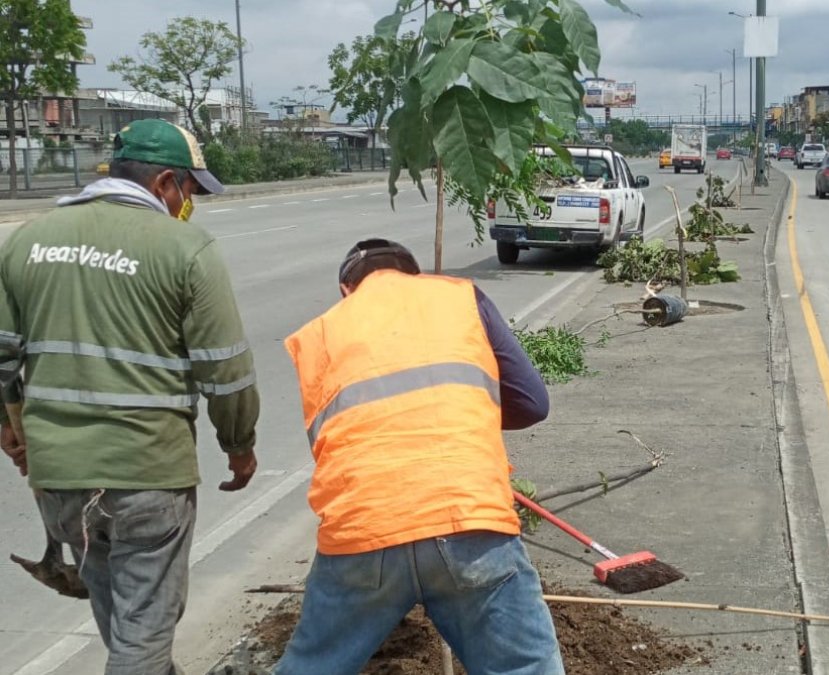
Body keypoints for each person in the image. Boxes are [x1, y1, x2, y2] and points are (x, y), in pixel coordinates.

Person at [0, 118, 260, 675]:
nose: (190, 203)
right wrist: (239, 446)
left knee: (122, 620)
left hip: (60, 479)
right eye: (190, 190)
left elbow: (2, 358)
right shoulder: (186, 248)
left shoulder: (26, 240)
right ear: (166, 182)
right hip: (148, 473)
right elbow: (227, 371)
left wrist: (11, 427)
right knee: (142, 634)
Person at [276, 239, 562, 675]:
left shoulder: (321, 333)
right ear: (417, 275)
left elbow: (339, 442)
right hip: (468, 519)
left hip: (363, 531)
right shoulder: (461, 298)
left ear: (345, 289)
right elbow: (532, 403)